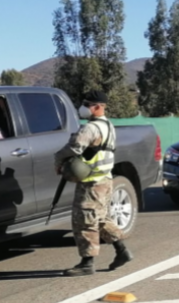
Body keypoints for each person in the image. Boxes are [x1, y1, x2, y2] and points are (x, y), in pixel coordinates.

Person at [54, 90, 132, 277]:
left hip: (91, 183)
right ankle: (122, 251)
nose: (84, 107)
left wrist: (58, 160)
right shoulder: (108, 125)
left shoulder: (90, 128)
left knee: (84, 221)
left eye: (88, 104)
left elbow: (74, 148)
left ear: (98, 107)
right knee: (101, 218)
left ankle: (87, 263)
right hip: (104, 179)